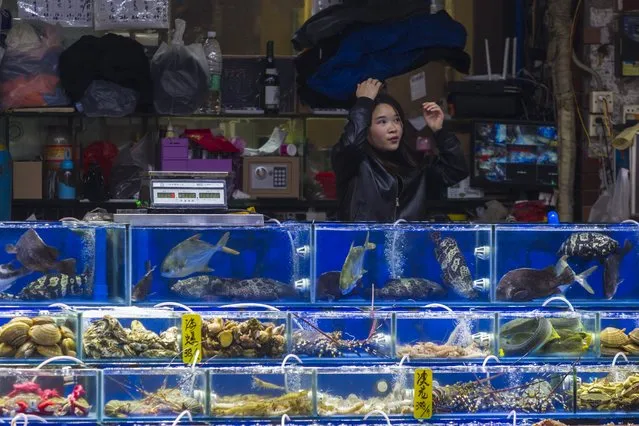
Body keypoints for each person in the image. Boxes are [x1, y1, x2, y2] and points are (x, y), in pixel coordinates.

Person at [331, 78, 468, 222]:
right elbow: (351, 146)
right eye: (382, 122)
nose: (393, 128)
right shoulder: (355, 166)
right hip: (365, 243)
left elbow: (457, 170)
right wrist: (364, 102)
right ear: (365, 127)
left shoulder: (416, 165)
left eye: (396, 120)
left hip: (408, 243)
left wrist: (439, 131)